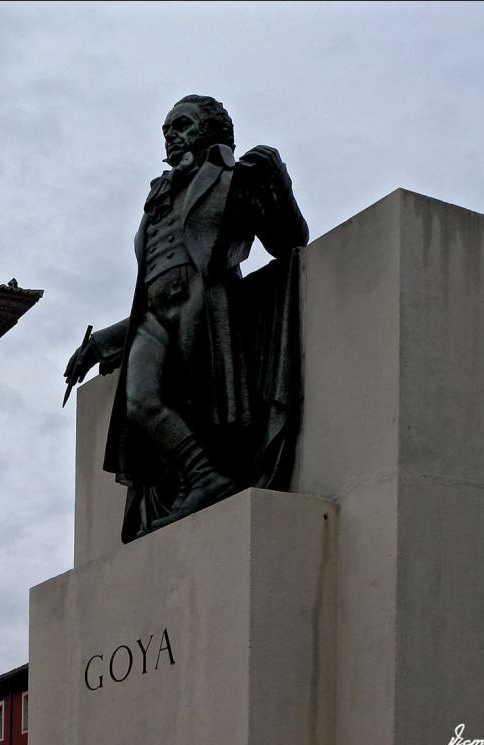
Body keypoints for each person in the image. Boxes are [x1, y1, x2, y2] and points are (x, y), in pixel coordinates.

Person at [64, 95, 308, 542]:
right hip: (154, 316)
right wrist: (102, 343)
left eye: (181, 125)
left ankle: (208, 479)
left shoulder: (235, 177)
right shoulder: (156, 199)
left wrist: (276, 180)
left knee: (196, 401)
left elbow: (290, 241)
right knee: (139, 403)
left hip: (205, 306)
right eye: (166, 131)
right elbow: (150, 286)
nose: (171, 136)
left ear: (211, 130)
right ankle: (202, 475)